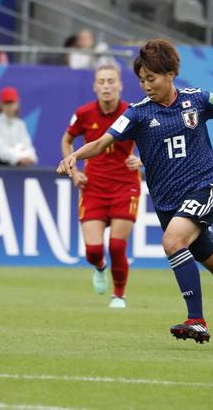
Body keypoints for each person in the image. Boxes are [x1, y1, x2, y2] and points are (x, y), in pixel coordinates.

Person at [58, 39, 213, 343]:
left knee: (172, 241)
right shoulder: (136, 114)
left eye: (151, 78)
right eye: (142, 79)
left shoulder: (197, 100)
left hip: (202, 188)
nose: (146, 85)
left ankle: (196, 320)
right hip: (168, 204)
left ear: (171, 73)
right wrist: (76, 156)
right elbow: (102, 142)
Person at [61, 64, 141, 309]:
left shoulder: (133, 112)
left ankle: (119, 295)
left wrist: (141, 159)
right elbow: (67, 140)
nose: (106, 86)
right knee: (93, 251)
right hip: (93, 186)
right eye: (102, 82)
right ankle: (99, 267)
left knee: (117, 246)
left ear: (120, 85)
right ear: (95, 87)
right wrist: (74, 172)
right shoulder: (84, 113)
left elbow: (152, 141)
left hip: (125, 184)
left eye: (111, 81)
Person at [0, 86, 38, 167]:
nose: (9, 106)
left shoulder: (20, 124)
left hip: (19, 166)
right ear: (0, 105)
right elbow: (0, 149)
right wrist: (18, 157)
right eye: (6, 103)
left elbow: (28, 146)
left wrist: (31, 157)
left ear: (17, 104)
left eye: (11, 102)